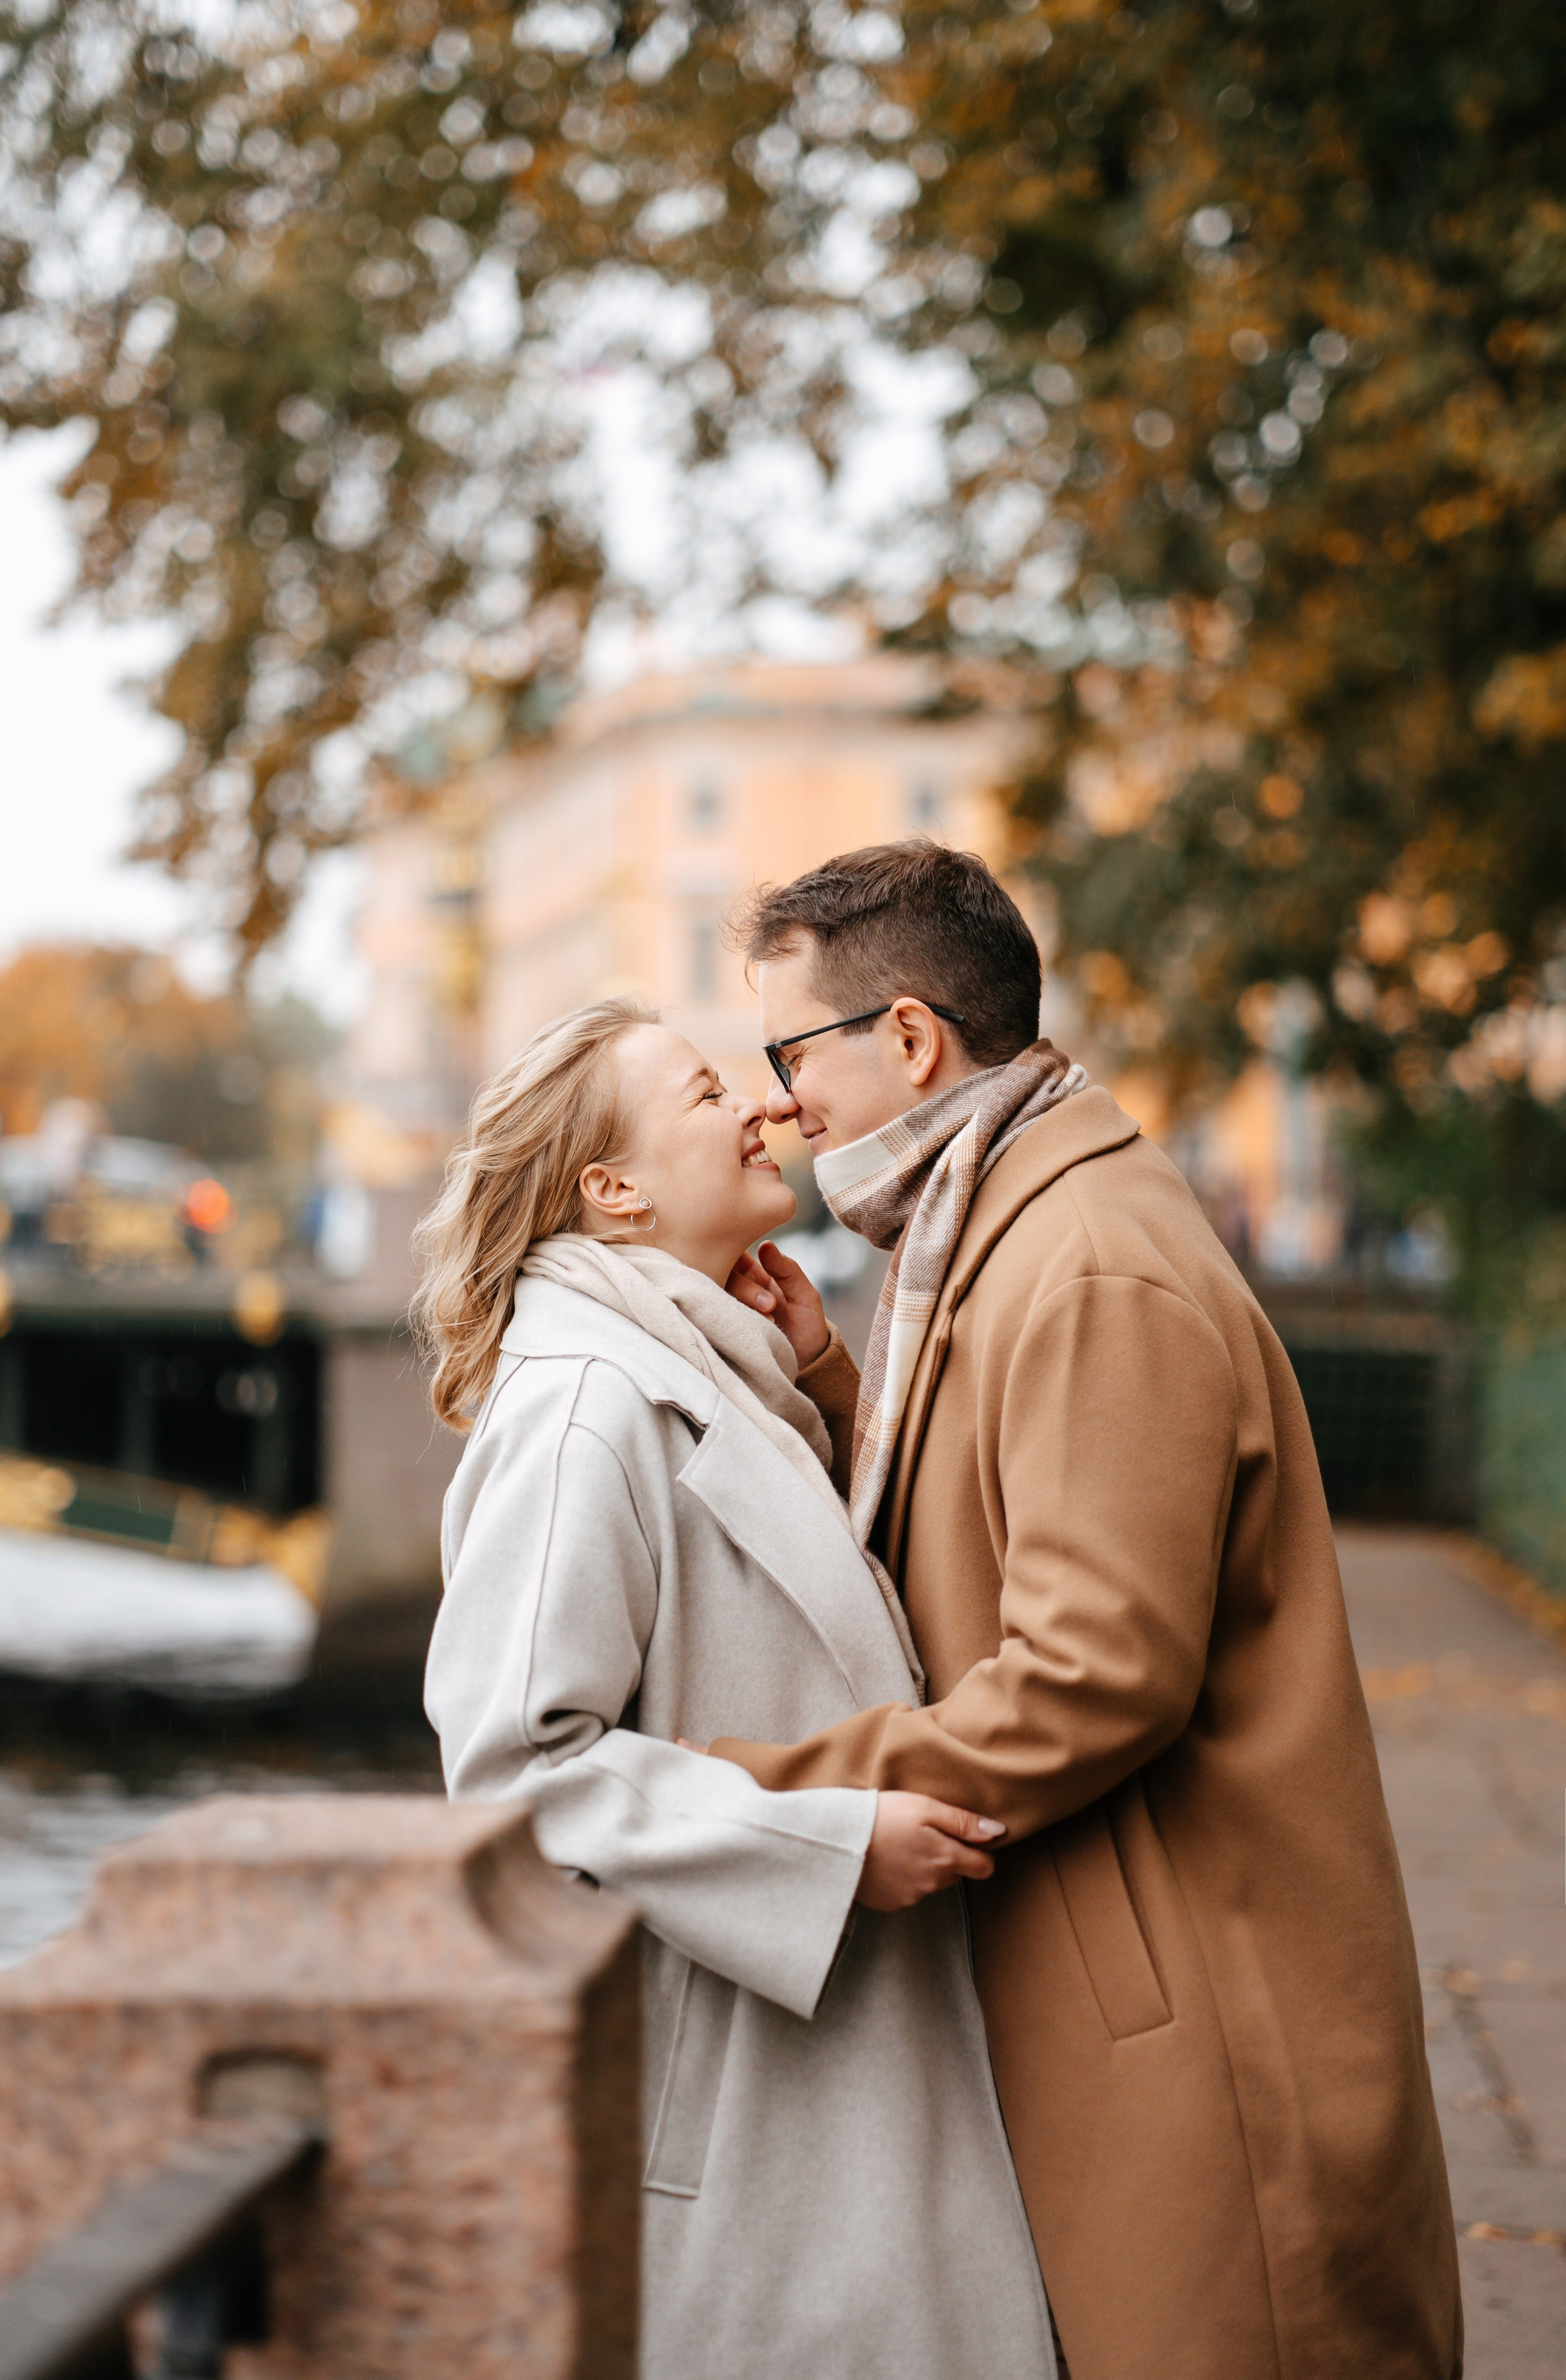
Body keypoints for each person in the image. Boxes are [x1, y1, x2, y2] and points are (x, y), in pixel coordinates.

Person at [715, 840, 1461, 2380]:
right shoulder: (1014, 1219)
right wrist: (833, 1381)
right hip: (1152, 1991)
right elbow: (1013, 1506)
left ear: (909, 1039)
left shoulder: (1083, 1261)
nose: (782, 1103)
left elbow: (1092, 1672)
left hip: (1200, 2033)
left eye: (791, 1054)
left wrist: (748, 1801)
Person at [415, 997, 1057, 2380]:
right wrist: (825, 1842)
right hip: (751, 2107)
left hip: (824, 2086)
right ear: (614, 1188)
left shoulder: (696, 1364)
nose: (762, 1106)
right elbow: (515, 1772)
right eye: (708, 1094)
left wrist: (821, 1385)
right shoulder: (582, 1402)